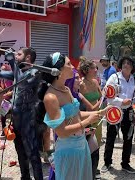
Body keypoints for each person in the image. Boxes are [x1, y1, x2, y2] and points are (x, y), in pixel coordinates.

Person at [38, 52, 106, 180]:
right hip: (68, 150)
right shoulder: (51, 97)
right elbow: (62, 132)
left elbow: (78, 114)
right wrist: (87, 122)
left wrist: (97, 113)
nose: (73, 67)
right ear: (58, 70)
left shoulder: (66, 89)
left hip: (81, 145)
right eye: (68, 64)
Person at [0, 47, 43, 180]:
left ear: (28, 57)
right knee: (20, 152)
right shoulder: (18, 72)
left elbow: (23, 83)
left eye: (18, 54)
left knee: (33, 153)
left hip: (29, 119)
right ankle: (25, 177)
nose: (15, 56)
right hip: (17, 118)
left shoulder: (35, 72)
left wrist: (12, 62)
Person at [101, 57, 135, 174]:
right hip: (114, 110)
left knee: (128, 138)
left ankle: (125, 163)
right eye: (124, 63)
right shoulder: (114, 78)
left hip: (128, 112)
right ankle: (107, 162)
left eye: (128, 63)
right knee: (111, 137)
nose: (126, 65)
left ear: (133, 67)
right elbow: (108, 95)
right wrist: (121, 101)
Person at [79, 60, 103, 179]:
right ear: (86, 70)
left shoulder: (95, 81)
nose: (96, 70)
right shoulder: (81, 85)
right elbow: (91, 107)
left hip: (98, 117)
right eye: (94, 68)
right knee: (88, 146)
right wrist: (103, 99)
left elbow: (102, 95)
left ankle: (94, 169)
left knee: (96, 145)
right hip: (88, 118)